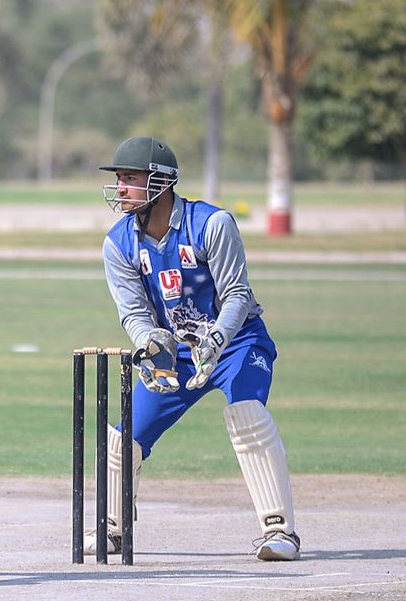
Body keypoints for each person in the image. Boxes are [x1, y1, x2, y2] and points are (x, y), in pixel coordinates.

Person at [88, 136, 300, 561]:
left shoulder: (211, 224)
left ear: (161, 182)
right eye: (120, 179)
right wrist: (151, 342)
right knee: (123, 437)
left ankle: (280, 532)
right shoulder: (118, 243)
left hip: (236, 341)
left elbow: (237, 294)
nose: (121, 188)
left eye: (130, 178)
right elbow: (133, 312)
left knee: (246, 414)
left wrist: (216, 340)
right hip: (177, 352)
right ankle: (113, 527)